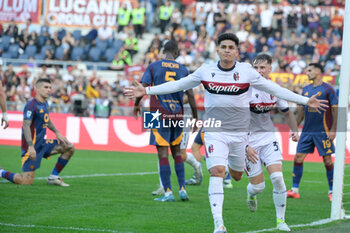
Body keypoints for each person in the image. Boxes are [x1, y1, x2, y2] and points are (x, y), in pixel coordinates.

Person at [125, 33, 327, 233]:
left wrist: (303, 100)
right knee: (217, 172)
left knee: (238, 175)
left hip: (240, 135)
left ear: (237, 51)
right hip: (215, 131)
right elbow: (178, 85)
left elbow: (274, 89)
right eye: (224, 47)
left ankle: (240, 183)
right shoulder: (206, 70)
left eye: (232, 47)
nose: (228, 50)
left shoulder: (246, 71)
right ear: (218, 50)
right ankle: (219, 225)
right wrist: (147, 91)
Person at [133, 40, 197, 202]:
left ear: (164, 52)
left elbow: (142, 88)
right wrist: (196, 117)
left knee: (162, 153)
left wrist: (136, 105)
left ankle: (168, 192)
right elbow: (190, 95)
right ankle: (182, 189)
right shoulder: (183, 69)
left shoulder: (154, 66)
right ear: (176, 53)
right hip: (177, 113)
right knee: (176, 152)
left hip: (156, 113)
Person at [244, 54, 300, 232]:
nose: (259, 71)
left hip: (268, 138)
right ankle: (251, 194)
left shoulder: (275, 89)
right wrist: (244, 145)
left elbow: (287, 112)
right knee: (258, 187)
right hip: (249, 141)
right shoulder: (245, 90)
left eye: (262, 68)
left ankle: (281, 221)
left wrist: (294, 129)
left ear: (270, 69)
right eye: (256, 68)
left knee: (277, 178)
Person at [0, 79, 75, 186]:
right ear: (37, 88)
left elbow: (47, 120)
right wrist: (30, 146)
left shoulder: (45, 103)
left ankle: (53, 177)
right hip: (31, 148)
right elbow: (25, 125)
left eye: (50, 87)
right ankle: (1, 172)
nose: (49, 90)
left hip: (42, 144)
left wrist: (57, 132)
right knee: (26, 182)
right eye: (46, 87)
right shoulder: (31, 105)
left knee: (69, 147)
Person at [287, 63, 338, 202]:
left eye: (309, 70)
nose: (307, 72)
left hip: (323, 131)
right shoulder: (306, 89)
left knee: (327, 160)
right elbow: (302, 110)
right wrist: (295, 127)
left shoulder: (328, 89)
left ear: (318, 71)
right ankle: (295, 190)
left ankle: (332, 191)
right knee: (298, 157)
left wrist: (333, 129)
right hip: (307, 131)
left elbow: (335, 110)